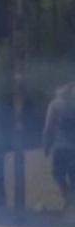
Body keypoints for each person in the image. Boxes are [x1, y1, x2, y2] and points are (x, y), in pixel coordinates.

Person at [43, 82, 75, 214]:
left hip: (61, 147)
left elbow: (48, 127)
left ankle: (68, 199)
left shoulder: (55, 105)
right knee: (73, 175)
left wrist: (46, 145)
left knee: (57, 174)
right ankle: (71, 202)